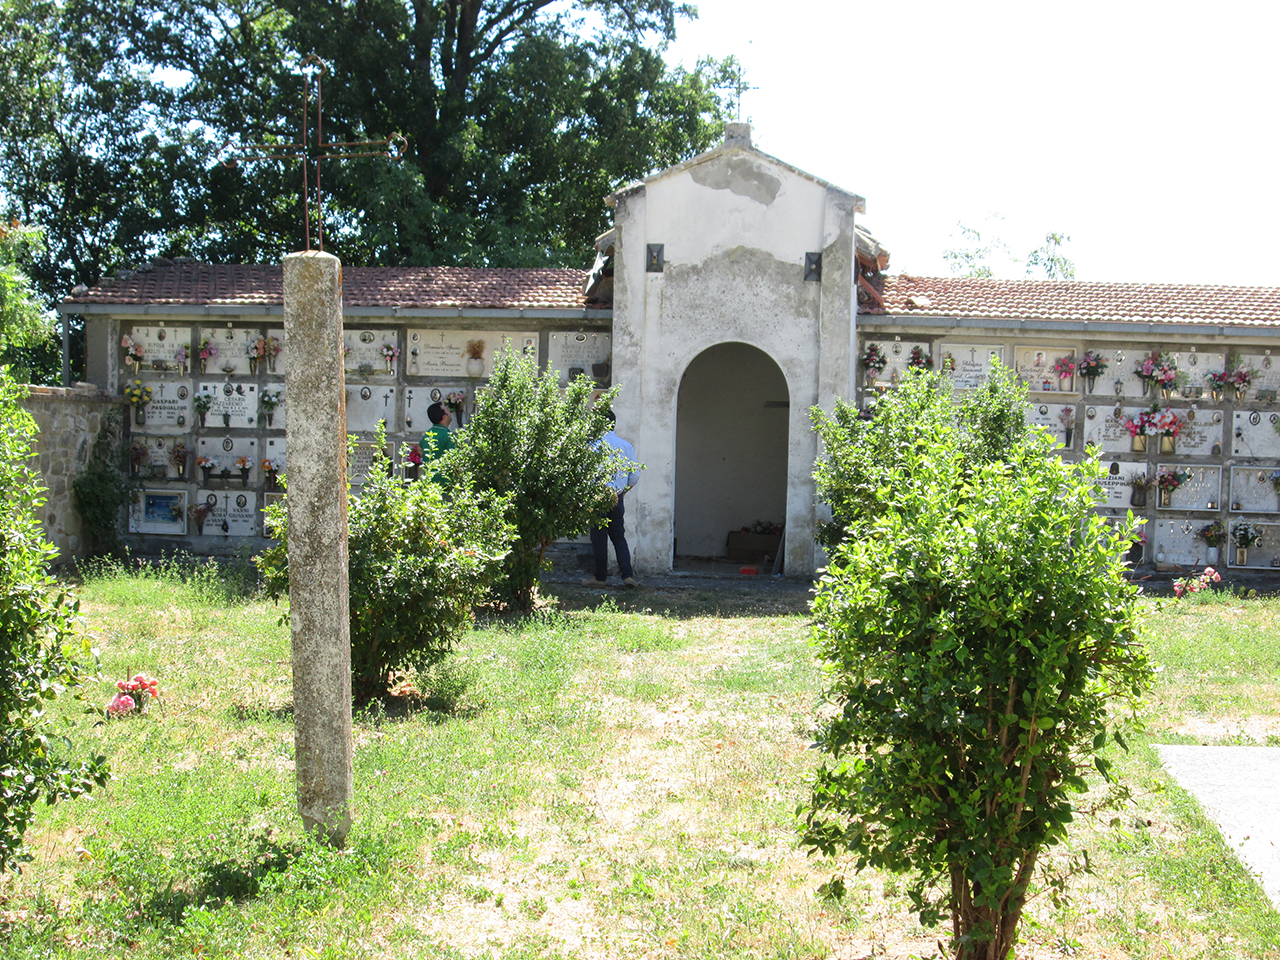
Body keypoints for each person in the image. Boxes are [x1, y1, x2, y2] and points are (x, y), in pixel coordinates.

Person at [585, 410, 639, 587]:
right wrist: (622, 493)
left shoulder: (591, 445)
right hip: (617, 498)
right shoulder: (625, 446)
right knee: (618, 537)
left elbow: (582, 474)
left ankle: (600, 577)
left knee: (599, 538)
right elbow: (634, 477)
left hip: (597, 497)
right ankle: (627, 576)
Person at [421, 402, 455, 483]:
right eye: (447, 410)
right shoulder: (448, 435)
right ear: (444, 416)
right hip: (444, 482)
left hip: (428, 480)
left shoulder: (428, 433)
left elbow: (419, 448)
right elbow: (454, 457)